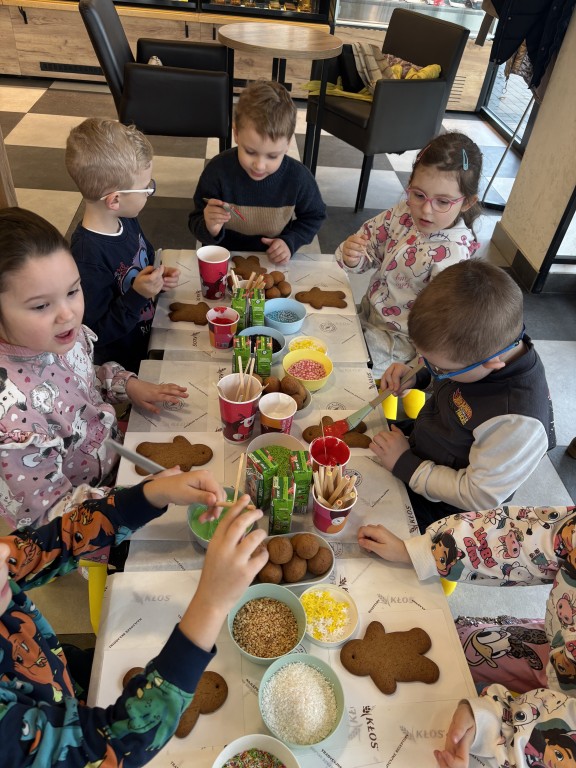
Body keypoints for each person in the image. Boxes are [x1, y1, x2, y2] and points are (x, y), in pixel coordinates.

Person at [0, 469, 268, 766]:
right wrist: (211, 604)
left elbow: (50, 544)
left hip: (56, 673)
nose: (2, 556)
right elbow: (108, 749)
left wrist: (149, 495)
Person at [0, 207, 188, 530]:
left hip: (117, 457)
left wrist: (126, 384)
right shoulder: (12, 427)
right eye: (41, 305)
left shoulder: (59, 337)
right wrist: (144, 498)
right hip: (95, 521)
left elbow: (84, 376)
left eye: (73, 291)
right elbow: (49, 526)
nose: (68, 314)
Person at [357, 502, 576, 768]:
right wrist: (423, 552)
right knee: (453, 649)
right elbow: (527, 536)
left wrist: (489, 726)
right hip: (555, 643)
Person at [370, 259, 556, 531]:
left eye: (441, 368)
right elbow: (449, 369)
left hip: (446, 508)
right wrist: (418, 374)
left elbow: (477, 495)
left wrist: (406, 465)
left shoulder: (517, 422)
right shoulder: (485, 344)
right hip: (427, 442)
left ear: (492, 363)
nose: (432, 367)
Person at [336, 132, 482, 379]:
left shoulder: (454, 256)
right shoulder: (402, 213)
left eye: (442, 202)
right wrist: (354, 257)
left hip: (399, 345)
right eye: (418, 195)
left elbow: (445, 328)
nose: (425, 210)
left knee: (350, 378)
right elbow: (368, 249)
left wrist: (417, 370)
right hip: (368, 312)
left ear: (467, 203)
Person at [65, 118, 180, 372]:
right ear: (115, 200)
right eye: (146, 188)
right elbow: (94, 333)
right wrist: (138, 295)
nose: (149, 192)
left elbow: (143, 256)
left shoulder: (125, 219)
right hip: (122, 366)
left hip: (147, 336)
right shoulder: (87, 258)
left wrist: (156, 277)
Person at [189, 80, 326, 265]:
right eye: (250, 152)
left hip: (272, 262)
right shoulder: (217, 171)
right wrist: (210, 227)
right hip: (222, 259)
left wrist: (290, 241)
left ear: (287, 144)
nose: (259, 166)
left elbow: (314, 216)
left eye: (272, 156)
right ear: (236, 133)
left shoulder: (298, 178)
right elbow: (196, 220)